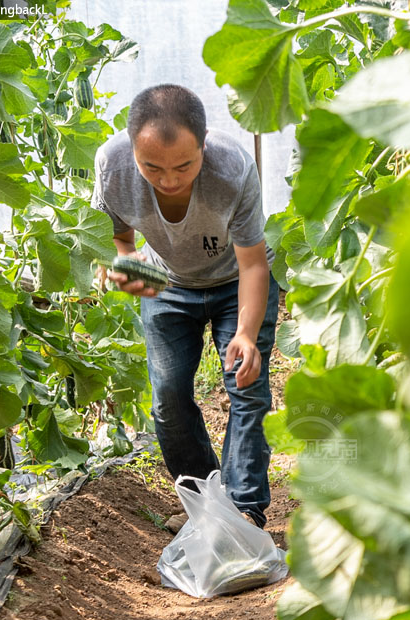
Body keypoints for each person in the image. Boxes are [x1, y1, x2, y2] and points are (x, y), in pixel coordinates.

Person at [91, 84, 278, 529]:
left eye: (184, 165)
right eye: (151, 167)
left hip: (238, 280)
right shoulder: (112, 165)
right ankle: (204, 505)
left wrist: (247, 336)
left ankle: (245, 510)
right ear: (132, 148)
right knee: (169, 397)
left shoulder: (233, 168)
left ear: (204, 143)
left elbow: (253, 264)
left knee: (245, 386)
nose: (170, 179)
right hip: (168, 281)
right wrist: (125, 264)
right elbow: (115, 237)